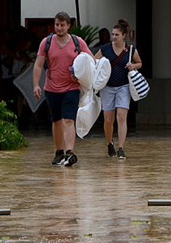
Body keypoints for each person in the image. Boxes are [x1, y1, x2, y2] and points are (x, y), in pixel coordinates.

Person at [32, 11, 94, 167]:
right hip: (52, 88)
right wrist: (36, 84)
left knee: (68, 119)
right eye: (56, 25)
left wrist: (81, 75)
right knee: (57, 120)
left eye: (62, 25)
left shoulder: (77, 42)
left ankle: (70, 151)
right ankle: (59, 151)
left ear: (68, 26)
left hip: (71, 87)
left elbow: (90, 61)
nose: (59, 28)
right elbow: (39, 64)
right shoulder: (46, 42)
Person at [94, 23, 143, 160]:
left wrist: (133, 66)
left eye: (116, 34)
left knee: (121, 116)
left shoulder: (130, 50)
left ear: (123, 36)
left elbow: (140, 63)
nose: (114, 37)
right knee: (108, 119)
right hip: (107, 87)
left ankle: (121, 147)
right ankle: (110, 142)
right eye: (113, 34)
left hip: (124, 86)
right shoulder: (105, 49)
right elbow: (94, 61)